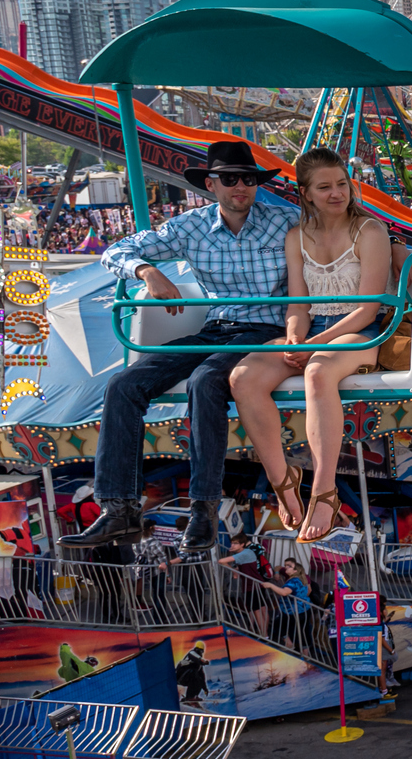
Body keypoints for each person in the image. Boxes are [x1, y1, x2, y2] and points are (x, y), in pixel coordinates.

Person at [73, 140, 301, 549]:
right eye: (230, 179)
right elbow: (116, 251)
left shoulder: (284, 221)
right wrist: (146, 271)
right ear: (211, 184)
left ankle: (204, 509)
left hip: (266, 329)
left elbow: (338, 234)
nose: (240, 187)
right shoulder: (191, 226)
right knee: (124, 385)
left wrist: (387, 244)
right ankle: (119, 507)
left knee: (204, 381)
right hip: (217, 327)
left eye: (248, 179)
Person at [228, 146, 393, 542]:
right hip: (317, 328)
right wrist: (293, 337)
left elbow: (367, 309)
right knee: (244, 377)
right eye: (325, 187)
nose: (337, 193)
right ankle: (282, 479)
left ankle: (324, 490)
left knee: (318, 371)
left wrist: (312, 345)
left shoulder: (369, 232)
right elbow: (299, 304)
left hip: (362, 331)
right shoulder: (296, 237)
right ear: (306, 193)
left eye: (341, 184)